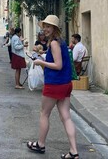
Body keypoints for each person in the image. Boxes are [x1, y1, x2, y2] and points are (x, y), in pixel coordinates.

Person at [27, 15, 79, 159]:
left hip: (55, 83)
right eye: (44, 26)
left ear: (55, 28)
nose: (45, 29)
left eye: (48, 26)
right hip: (66, 83)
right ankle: (74, 152)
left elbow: (58, 65)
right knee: (66, 117)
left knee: (44, 113)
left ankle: (40, 144)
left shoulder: (54, 43)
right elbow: (59, 60)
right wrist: (44, 56)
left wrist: (40, 62)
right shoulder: (60, 42)